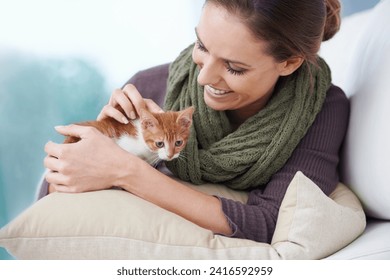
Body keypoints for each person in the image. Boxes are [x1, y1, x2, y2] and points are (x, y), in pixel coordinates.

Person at [42, 0, 348, 243]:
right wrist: (105, 142)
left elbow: (271, 223)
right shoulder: (147, 88)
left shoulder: (320, 108)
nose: (203, 77)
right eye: (201, 46)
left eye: (234, 68)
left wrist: (126, 171)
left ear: (289, 63)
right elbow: (49, 202)